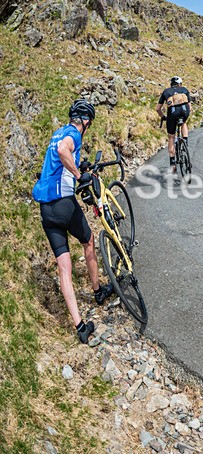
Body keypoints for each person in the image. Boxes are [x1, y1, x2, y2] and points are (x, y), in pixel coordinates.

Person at [32, 99, 114, 344]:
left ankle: (80, 327)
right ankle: (98, 292)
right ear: (86, 121)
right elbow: (64, 152)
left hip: (46, 209)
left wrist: (77, 165)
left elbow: (57, 159)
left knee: (64, 267)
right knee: (88, 240)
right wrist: (80, 175)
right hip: (63, 203)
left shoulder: (57, 133)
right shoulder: (73, 133)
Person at [156, 76, 192, 173]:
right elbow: (190, 107)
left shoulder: (166, 91)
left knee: (171, 136)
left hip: (172, 114)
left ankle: (172, 163)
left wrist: (163, 117)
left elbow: (157, 109)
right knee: (183, 123)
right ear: (180, 84)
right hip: (184, 112)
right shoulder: (184, 89)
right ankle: (185, 142)